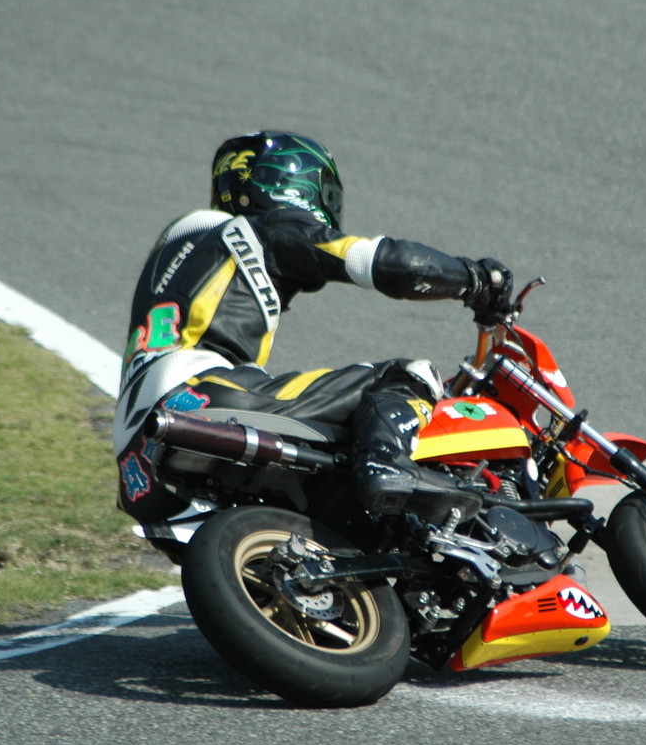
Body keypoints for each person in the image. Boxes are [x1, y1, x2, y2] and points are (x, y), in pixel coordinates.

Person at [112, 130, 513, 531]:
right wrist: (475, 278)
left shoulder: (180, 250)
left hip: (139, 471)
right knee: (407, 375)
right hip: (201, 394)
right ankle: (386, 465)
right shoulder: (260, 229)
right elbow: (382, 262)